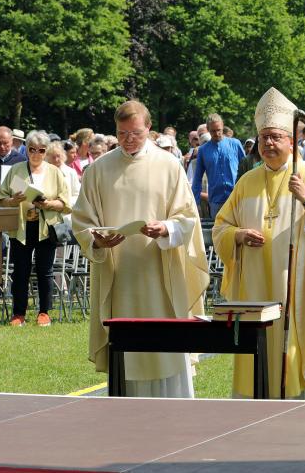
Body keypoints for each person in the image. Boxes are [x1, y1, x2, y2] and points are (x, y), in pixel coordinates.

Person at [212, 87, 305, 400]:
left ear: (291, 141)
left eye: (275, 137)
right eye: (264, 138)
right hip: (257, 287)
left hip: (303, 287)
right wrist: (238, 235)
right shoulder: (247, 181)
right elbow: (221, 227)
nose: (269, 144)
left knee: (304, 352)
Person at [72, 100, 209, 397]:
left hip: (159, 271)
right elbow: (82, 219)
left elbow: (188, 218)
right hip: (119, 273)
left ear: (149, 128)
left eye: (135, 133)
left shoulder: (169, 166)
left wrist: (166, 228)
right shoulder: (99, 170)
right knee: (125, 347)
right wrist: (97, 239)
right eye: (122, 134)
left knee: (166, 346)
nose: (129, 140)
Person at [0, 131, 71, 327]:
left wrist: (48, 204)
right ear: (27, 150)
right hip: (22, 227)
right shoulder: (16, 170)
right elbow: (1, 199)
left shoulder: (55, 172)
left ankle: (44, 313)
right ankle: (18, 314)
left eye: (41, 150)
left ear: (46, 151)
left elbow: (65, 203)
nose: (36, 154)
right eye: (32, 149)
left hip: (47, 228)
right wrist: (13, 200)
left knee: (45, 271)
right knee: (20, 272)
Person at [191, 113, 245, 216]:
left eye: (219, 130)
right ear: (208, 129)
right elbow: (197, 178)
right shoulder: (203, 150)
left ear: (222, 126)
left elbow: (246, 169)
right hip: (216, 201)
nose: (217, 133)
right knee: (217, 226)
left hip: (237, 197)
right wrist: (195, 203)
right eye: (213, 131)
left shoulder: (235, 144)